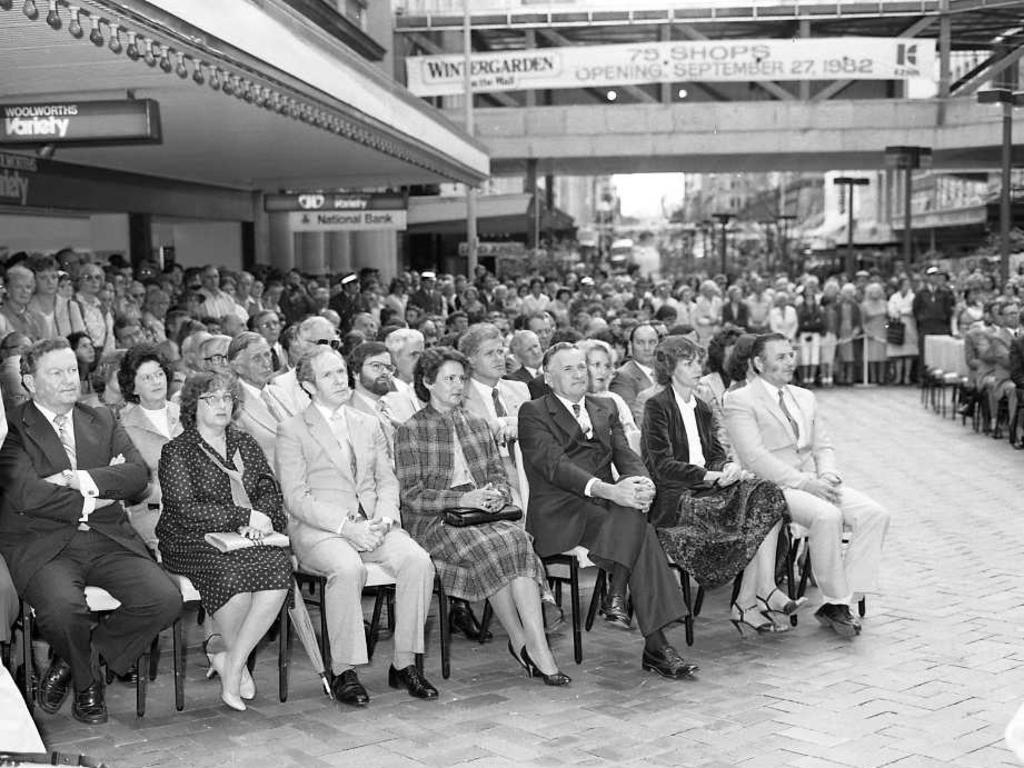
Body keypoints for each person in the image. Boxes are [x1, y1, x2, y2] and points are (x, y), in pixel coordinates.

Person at [0, 338, 181, 724]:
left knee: (164, 599)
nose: (70, 379)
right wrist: (95, 495)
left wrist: (73, 478)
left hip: (107, 537)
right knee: (65, 609)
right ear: (30, 383)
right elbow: (26, 493)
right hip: (44, 543)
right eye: (56, 372)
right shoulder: (13, 426)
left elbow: (135, 477)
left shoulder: (100, 418)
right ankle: (87, 685)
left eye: (72, 369)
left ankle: (79, 659)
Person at [518, 342, 696, 680]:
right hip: (561, 510)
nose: (578, 373)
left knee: (634, 511)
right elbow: (556, 467)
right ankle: (650, 637)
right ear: (548, 376)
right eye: (568, 368)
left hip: (606, 510)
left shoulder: (605, 406)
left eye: (581, 367)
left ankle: (620, 596)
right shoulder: (533, 412)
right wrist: (612, 491)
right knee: (638, 525)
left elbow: (625, 455)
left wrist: (643, 483)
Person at [395, 347, 569, 686]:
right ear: (428, 383)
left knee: (513, 538)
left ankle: (529, 644)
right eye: (449, 378)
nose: (458, 385)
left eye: (462, 378)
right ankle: (533, 646)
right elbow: (411, 495)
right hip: (436, 521)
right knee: (503, 543)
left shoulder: (477, 424)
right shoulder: (411, 429)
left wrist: (494, 496)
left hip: (482, 518)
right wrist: (464, 497)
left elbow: (499, 476)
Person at [276, 346, 438, 705]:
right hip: (320, 530)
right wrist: (346, 528)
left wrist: (384, 518)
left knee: (418, 561)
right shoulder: (291, 429)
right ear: (308, 385)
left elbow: (387, 479)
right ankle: (344, 670)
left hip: (373, 524)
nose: (339, 379)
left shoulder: (367, 422)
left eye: (340, 371)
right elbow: (295, 497)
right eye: (327, 375)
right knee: (348, 569)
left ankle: (405, 664)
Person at [722, 333, 891, 638]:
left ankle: (839, 600)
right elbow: (755, 457)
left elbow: (823, 447)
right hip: (770, 489)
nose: (791, 361)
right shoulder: (739, 400)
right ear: (759, 363)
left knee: (874, 514)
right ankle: (838, 603)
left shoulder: (805, 397)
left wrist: (826, 476)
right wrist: (806, 483)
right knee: (827, 516)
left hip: (812, 482)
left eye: (792, 354)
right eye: (782, 357)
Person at [157, 371, 291, 711]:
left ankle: (232, 663)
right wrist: (243, 518)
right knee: (234, 579)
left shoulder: (244, 442)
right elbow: (184, 509)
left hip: (243, 537)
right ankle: (236, 667)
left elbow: (267, 488)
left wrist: (260, 521)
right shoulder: (177, 450)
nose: (222, 405)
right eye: (211, 399)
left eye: (227, 398)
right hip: (190, 539)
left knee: (277, 570)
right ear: (193, 405)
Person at [641, 337, 794, 634]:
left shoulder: (702, 407)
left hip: (710, 488)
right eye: (689, 363)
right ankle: (755, 599)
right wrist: (708, 476)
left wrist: (727, 468)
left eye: (698, 361)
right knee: (755, 514)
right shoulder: (656, 406)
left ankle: (758, 594)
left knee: (767, 494)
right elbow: (660, 465)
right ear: (670, 369)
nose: (698, 367)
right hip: (677, 497)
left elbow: (714, 455)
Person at [117, 344, 182, 552]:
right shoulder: (123, 428)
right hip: (154, 515)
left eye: (159, 374)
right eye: (147, 378)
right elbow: (131, 487)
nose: (156, 381)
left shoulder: (186, 414)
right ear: (133, 387)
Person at [458, 324, 530, 508]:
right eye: (490, 353)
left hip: (530, 470)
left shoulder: (520, 389)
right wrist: (499, 424)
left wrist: (518, 426)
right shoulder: (459, 398)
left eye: (500, 351)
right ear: (470, 360)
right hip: (489, 479)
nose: (499, 358)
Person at [577, 338, 641, 453]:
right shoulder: (571, 399)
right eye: (596, 365)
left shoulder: (615, 400)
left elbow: (632, 440)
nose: (602, 371)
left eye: (607, 366)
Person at [228, 331, 283, 464]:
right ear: (238, 367)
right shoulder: (233, 404)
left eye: (267, 355)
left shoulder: (281, 392)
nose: (266, 363)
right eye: (257, 358)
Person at [610, 323, 658, 424]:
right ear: (630, 345)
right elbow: (630, 419)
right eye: (640, 342)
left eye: (652, 342)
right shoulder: (622, 377)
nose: (647, 348)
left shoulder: (666, 372)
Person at [886, 277, 918, 386]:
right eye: (904, 284)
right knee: (897, 353)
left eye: (908, 284)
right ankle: (898, 377)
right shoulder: (894, 297)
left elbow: (913, 309)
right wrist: (897, 313)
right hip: (897, 324)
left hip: (910, 324)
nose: (906, 287)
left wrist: (902, 311)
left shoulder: (913, 296)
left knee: (909, 353)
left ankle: (907, 377)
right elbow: (891, 309)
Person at [860, 283, 889, 385]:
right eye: (873, 291)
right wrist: (867, 331)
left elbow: (888, 319)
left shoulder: (885, 303)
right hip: (871, 331)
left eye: (877, 291)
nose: (875, 293)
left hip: (882, 330)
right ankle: (872, 378)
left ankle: (882, 378)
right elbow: (863, 322)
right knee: (871, 356)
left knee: (882, 356)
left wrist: (887, 328)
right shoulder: (864, 305)